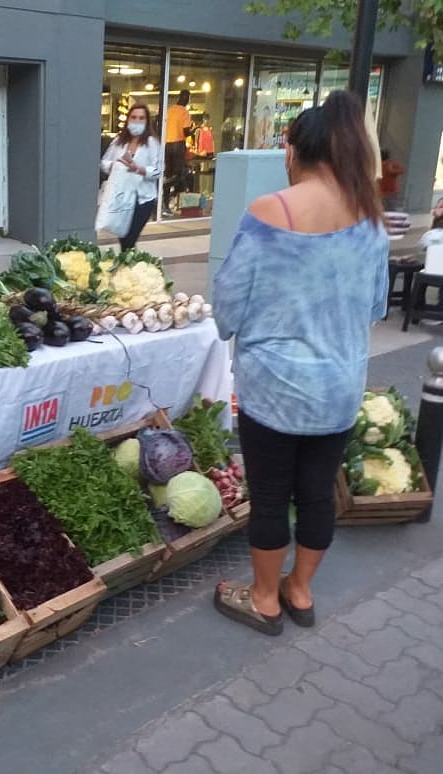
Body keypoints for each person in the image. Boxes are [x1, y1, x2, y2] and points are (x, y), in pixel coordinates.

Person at [211, 91, 389, 637]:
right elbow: (376, 306)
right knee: (316, 493)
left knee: (270, 496)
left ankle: (264, 598)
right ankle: (301, 590)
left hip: (275, 388)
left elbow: (228, 307)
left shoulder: (270, 212)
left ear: (292, 150)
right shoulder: (371, 218)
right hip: (338, 387)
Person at [99, 104, 161, 251]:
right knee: (123, 239)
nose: (137, 121)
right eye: (133, 117)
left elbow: (157, 171)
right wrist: (115, 165)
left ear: (146, 121)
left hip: (142, 199)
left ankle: (130, 262)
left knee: (130, 238)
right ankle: (129, 262)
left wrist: (138, 169)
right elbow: (104, 162)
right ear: (128, 119)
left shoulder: (151, 143)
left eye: (141, 118)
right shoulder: (119, 141)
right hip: (121, 197)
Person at [163, 90, 192, 215]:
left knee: (169, 173)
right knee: (180, 174)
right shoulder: (185, 112)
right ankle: (168, 190)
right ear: (187, 98)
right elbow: (186, 131)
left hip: (167, 144)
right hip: (178, 144)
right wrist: (192, 131)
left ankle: (165, 203)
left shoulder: (170, 110)